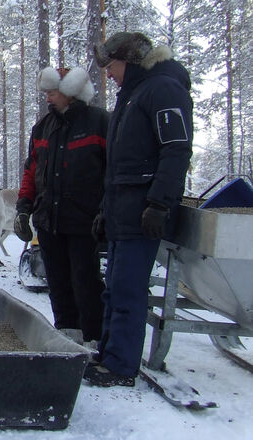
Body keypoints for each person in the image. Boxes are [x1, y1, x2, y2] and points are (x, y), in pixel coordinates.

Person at [85, 32, 193, 387]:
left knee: (129, 288)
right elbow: (118, 167)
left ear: (128, 60)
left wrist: (159, 204)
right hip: (122, 210)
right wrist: (105, 209)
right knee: (113, 286)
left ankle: (121, 365)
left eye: (111, 65)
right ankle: (109, 352)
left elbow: (175, 150)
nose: (108, 73)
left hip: (142, 211)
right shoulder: (132, 96)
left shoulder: (163, 90)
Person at [14, 66, 108, 349]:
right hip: (49, 221)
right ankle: (68, 337)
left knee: (86, 284)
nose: (48, 99)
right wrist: (23, 207)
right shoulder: (43, 128)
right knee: (57, 284)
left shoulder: (101, 123)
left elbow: (112, 172)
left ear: (71, 92)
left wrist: (106, 210)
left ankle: (94, 339)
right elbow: (31, 171)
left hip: (85, 222)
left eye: (53, 93)